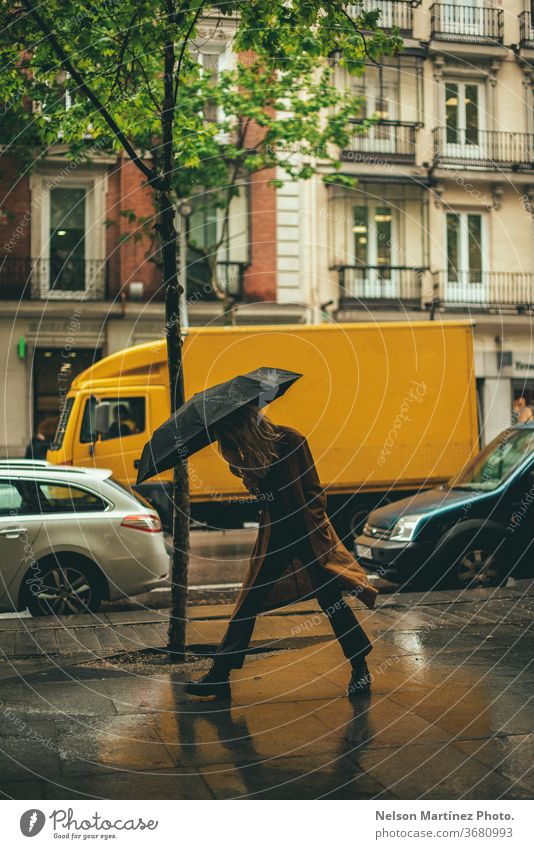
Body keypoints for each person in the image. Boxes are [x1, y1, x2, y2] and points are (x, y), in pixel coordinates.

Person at [184, 403, 378, 701]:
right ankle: (219, 676)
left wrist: (313, 524)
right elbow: (265, 499)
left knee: (331, 602)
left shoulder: (292, 440)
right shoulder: (251, 456)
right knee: (248, 602)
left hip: (307, 537)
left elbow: (314, 491)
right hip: (275, 539)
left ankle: (360, 668)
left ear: (243, 426)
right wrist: (245, 474)